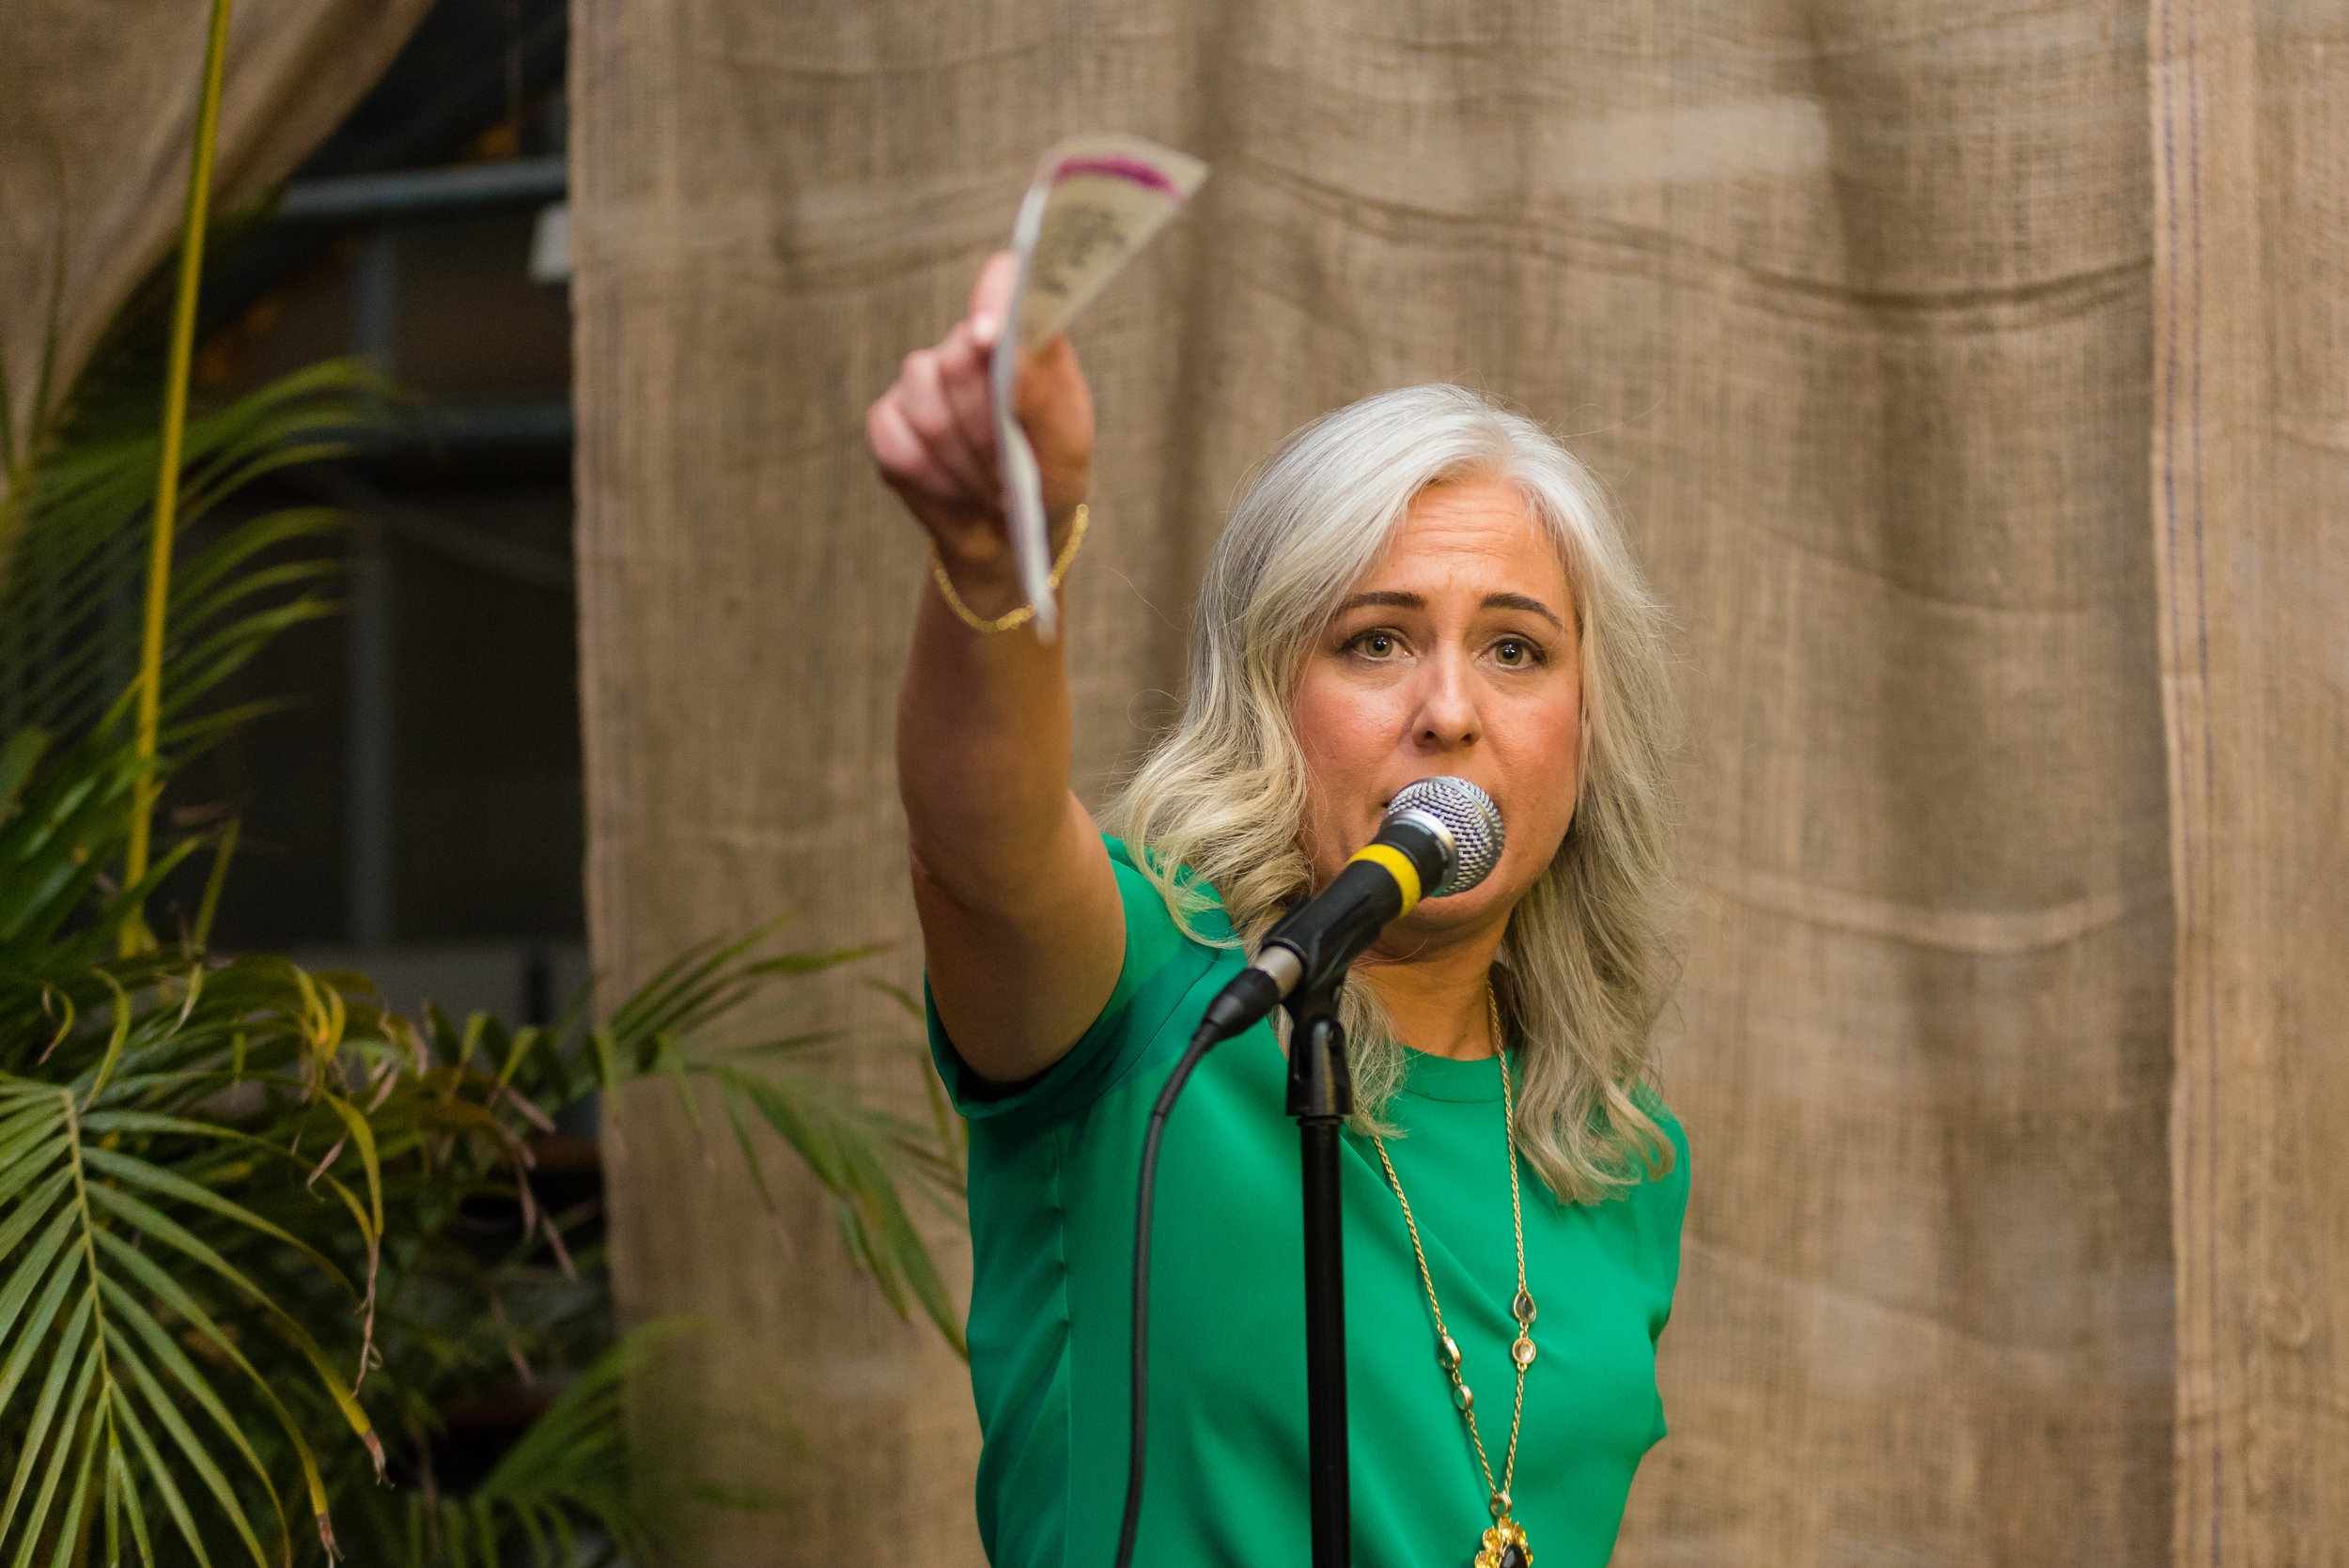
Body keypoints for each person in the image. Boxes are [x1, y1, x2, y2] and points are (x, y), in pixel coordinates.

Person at [867, 252, 1688, 1568]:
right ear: (1266, 699)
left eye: (1515, 648)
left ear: (1587, 729)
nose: (1450, 709)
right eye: (1375, 640)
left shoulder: (1619, 1150)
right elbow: (985, 847)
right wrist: (995, 554)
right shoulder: (1157, 995)